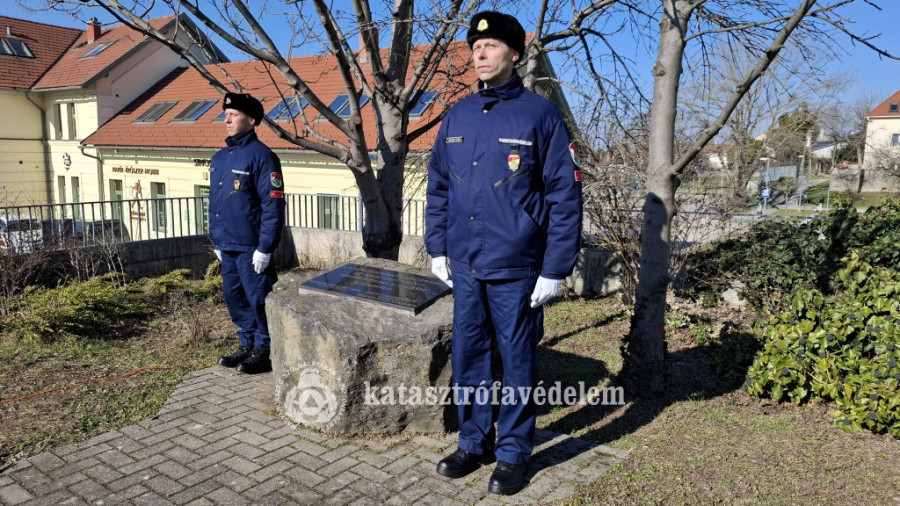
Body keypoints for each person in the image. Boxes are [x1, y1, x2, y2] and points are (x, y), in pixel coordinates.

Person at [424, 11, 583, 496]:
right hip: (466, 263)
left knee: (516, 361)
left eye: (491, 45)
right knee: (469, 356)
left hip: (517, 265)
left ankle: (514, 452)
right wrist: (437, 247)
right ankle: (474, 442)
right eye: (475, 46)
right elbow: (438, 187)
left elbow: (565, 195)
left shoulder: (540, 115)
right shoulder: (459, 115)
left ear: (514, 54)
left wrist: (556, 267)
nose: (480, 53)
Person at [209, 92, 285, 375]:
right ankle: (247, 343)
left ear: (251, 120)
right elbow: (216, 201)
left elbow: (273, 204)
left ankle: (264, 350)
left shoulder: (263, 157)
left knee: (258, 299)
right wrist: (216, 239)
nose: (226, 118)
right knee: (234, 297)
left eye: (234, 115)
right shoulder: (221, 156)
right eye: (226, 114)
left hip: (251, 247)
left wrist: (265, 247)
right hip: (227, 243)